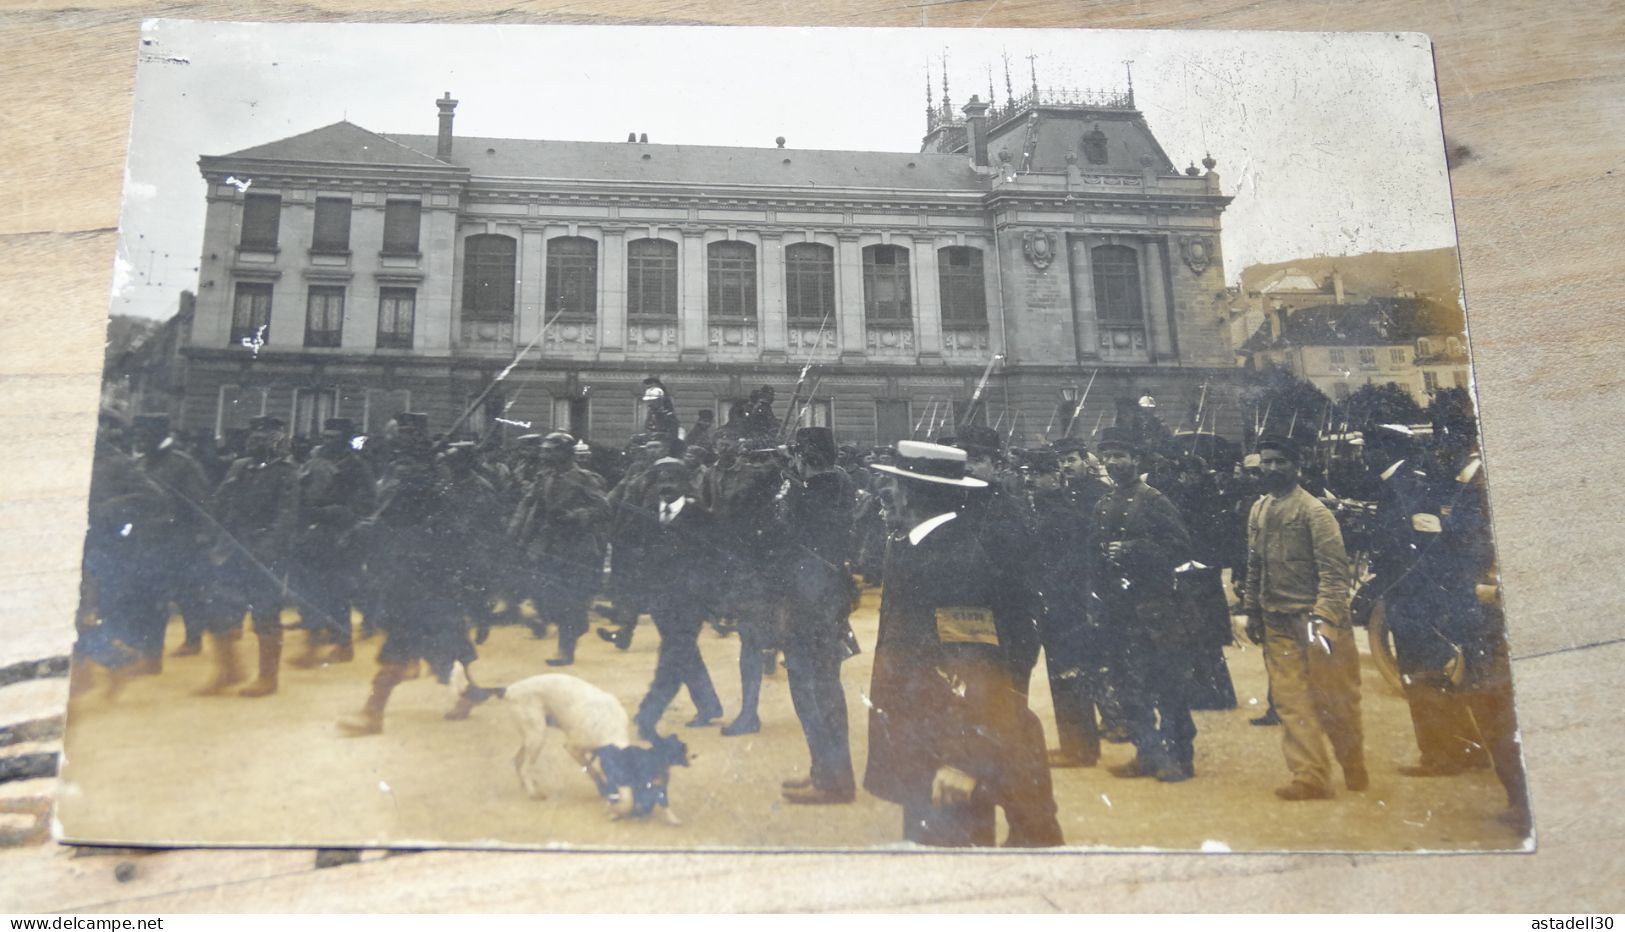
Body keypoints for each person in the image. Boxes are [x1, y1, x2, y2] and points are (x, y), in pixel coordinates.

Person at [864, 441, 1063, 847]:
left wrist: (961, 758)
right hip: (927, 740)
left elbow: (974, 664)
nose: (888, 494)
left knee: (954, 861)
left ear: (911, 494)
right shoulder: (925, 546)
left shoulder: (951, 560)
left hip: (946, 747)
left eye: (895, 485)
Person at [338, 413, 479, 735]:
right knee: (445, 636)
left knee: (403, 636)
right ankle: (469, 692)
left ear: (417, 438)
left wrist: (358, 531)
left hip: (420, 568)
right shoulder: (408, 469)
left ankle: (372, 713)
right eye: (396, 433)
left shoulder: (419, 473)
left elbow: (389, 515)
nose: (397, 440)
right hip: (412, 566)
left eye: (404, 434)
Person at [1243, 434, 1367, 800]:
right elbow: (1255, 565)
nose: (1272, 468)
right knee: (1290, 700)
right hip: (1276, 620)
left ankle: (1352, 759)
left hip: (1316, 621)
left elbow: (1334, 573)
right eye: (1266, 461)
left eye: (1280, 461)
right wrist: (1252, 609)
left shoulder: (1315, 512)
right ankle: (1309, 776)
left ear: (1296, 466)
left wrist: (1326, 618)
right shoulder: (1259, 509)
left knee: (1335, 702)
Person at [1090, 426, 1199, 783]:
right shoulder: (1103, 504)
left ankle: (1180, 757)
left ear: (1135, 459)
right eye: (1106, 457)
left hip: (1156, 607)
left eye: (1119, 456)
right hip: (1120, 609)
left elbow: (1181, 547)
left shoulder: (1154, 500)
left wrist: (1137, 550)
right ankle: (1147, 753)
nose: (1112, 463)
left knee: (1168, 684)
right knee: (1129, 685)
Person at [777, 427, 859, 805]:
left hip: (810, 602)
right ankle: (826, 773)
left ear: (805, 457)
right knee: (821, 687)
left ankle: (832, 779)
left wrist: (789, 481)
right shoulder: (836, 485)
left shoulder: (815, 493)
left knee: (814, 689)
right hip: (823, 600)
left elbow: (785, 533)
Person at [207, 414, 299, 698]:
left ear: (278, 441)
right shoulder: (239, 467)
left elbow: (287, 516)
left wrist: (267, 549)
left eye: (264, 437)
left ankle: (267, 678)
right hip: (232, 550)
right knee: (218, 609)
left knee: (266, 615)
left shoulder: (287, 472)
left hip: (264, 554)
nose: (256, 441)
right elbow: (219, 505)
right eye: (254, 436)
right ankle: (229, 669)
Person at [632, 458, 725, 739]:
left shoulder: (700, 517)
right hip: (660, 598)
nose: (666, 485)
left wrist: (712, 599)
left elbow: (714, 560)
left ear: (686, 484)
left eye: (672, 479)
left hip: (690, 600)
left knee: (673, 654)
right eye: (660, 479)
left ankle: (649, 712)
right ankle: (709, 705)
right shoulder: (647, 514)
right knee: (683, 652)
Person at [701, 429, 783, 736]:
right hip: (729, 560)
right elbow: (709, 506)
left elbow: (763, 488)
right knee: (750, 636)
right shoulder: (710, 474)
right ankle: (750, 711)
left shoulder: (755, 475)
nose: (723, 446)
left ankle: (750, 712)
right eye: (719, 442)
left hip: (756, 562)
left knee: (754, 637)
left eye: (729, 442)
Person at [1025, 450, 1100, 767]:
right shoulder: (1047, 510)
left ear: (1055, 478)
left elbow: (1073, 563)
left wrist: (1044, 586)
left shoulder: (1064, 515)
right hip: (1056, 603)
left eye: (1037, 475)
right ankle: (1076, 743)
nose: (1030, 480)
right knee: (1062, 674)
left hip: (1065, 605)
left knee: (1070, 674)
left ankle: (1080, 748)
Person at [510, 431, 611, 666]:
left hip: (577, 549)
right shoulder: (543, 478)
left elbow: (604, 509)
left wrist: (575, 516)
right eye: (543, 450)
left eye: (550, 451)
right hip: (548, 546)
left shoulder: (585, 479)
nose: (544, 455)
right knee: (547, 598)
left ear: (565, 453)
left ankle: (565, 651)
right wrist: (518, 538)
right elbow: (529, 508)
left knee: (569, 600)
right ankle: (577, 623)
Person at [130, 412, 215, 665]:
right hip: (147, 540)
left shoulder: (182, 464)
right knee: (152, 595)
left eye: (144, 435)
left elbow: (201, 504)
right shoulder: (142, 464)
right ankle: (150, 650)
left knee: (185, 592)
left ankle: (192, 639)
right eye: (137, 435)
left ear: (160, 435)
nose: (139, 440)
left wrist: (202, 535)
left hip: (178, 541)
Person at [289, 418, 375, 667]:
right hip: (313, 534)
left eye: (334, 437)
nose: (328, 441)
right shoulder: (314, 463)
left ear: (345, 441)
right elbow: (300, 492)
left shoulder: (358, 467)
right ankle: (315, 642)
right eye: (325, 436)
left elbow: (367, 502)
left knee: (338, 591)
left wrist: (340, 513)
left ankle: (343, 644)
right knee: (311, 591)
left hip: (342, 536)